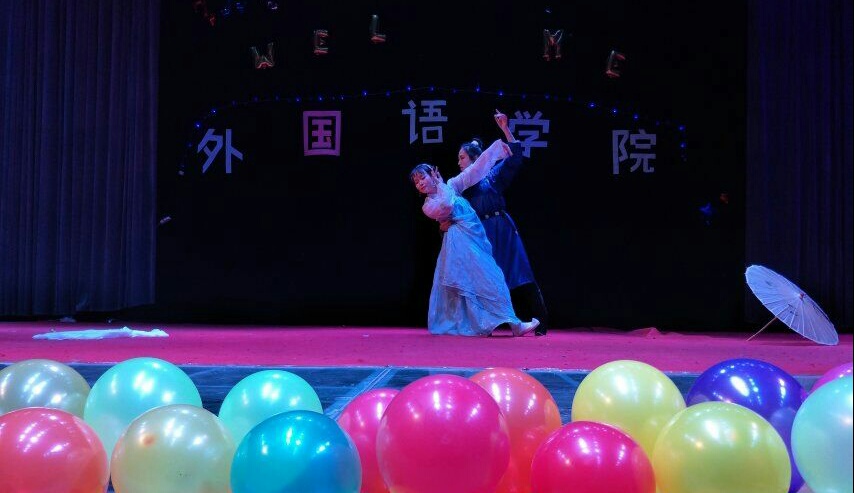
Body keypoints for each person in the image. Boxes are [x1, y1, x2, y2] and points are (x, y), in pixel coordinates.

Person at [410, 139, 540, 337]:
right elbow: (446, 206)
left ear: (432, 173)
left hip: (475, 238)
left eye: (422, 177)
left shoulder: (452, 185)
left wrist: (498, 150)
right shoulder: (428, 205)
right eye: (416, 182)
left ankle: (504, 324)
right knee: (479, 281)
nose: (420, 183)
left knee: (493, 278)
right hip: (459, 243)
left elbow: (475, 170)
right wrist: (440, 185)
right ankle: (509, 325)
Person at [445, 110, 549, 335]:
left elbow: (515, 157)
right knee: (485, 279)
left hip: (502, 230)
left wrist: (505, 129)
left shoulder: (491, 176)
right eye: (458, 158)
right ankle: (485, 325)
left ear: (475, 159)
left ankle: (541, 320)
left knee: (520, 273)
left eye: (462, 157)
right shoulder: (460, 187)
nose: (459, 162)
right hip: (479, 235)